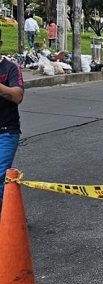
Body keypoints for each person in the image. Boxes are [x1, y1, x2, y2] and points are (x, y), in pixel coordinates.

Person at [0, 30, 25, 215]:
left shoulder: (10, 68)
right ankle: (11, 218)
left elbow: (17, 96)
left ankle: (7, 222)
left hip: (6, 132)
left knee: (0, 175)